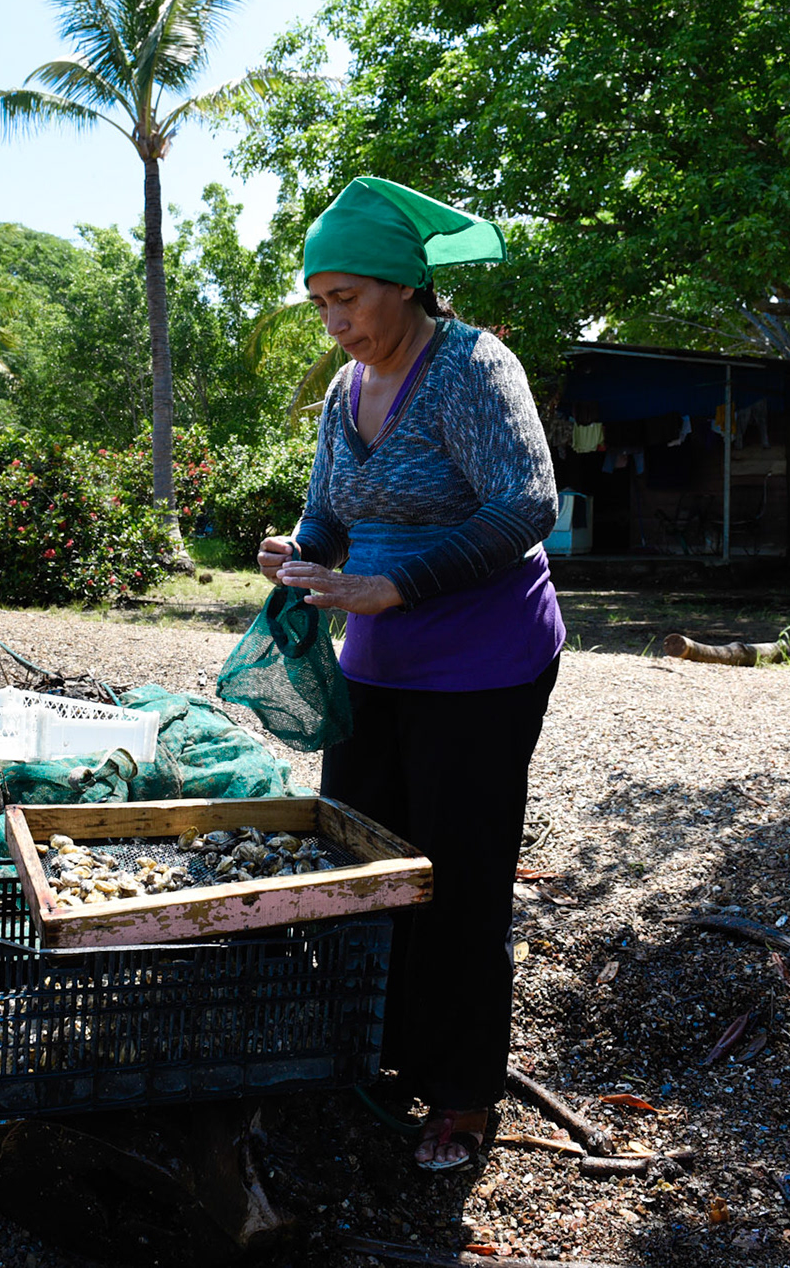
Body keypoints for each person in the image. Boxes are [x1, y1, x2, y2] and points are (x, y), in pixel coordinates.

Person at [257, 177, 565, 1171]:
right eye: (320, 302)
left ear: (405, 287)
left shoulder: (475, 367)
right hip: (378, 662)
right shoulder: (345, 391)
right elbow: (331, 513)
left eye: (347, 296)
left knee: (459, 874)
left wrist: (402, 585)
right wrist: (299, 552)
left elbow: (526, 506)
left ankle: (467, 1092)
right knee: (365, 856)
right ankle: (382, 1049)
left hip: (484, 663)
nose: (334, 318)